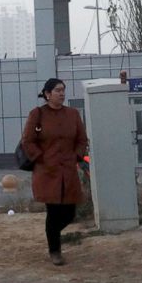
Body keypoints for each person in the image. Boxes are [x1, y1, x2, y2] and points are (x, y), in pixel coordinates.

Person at [21, 78, 89, 266]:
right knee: (53, 211)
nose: (62, 93)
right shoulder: (38, 114)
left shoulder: (73, 114)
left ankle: (53, 234)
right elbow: (27, 140)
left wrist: (77, 155)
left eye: (63, 90)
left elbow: (82, 139)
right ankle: (55, 251)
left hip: (68, 169)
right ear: (47, 94)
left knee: (69, 212)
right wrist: (40, 157)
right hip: (47, 170)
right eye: (58, 90)